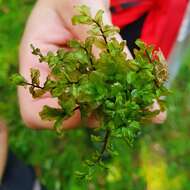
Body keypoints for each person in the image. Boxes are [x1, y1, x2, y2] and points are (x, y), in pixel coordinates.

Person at [18, 0, 177, 130]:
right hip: (121, 14)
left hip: (174, 22)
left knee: (150, 81)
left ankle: (123, 117)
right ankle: (104, 129)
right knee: (100, 109)